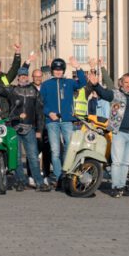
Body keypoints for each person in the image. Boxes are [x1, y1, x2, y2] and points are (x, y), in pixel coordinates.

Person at [86, 66, 129, 198]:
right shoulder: (116, 94)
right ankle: (115, 187)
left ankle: (121, 186)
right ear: (122, 83)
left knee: (126, 163)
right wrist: (95, 85)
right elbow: (104, 93)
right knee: (117, 161)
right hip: (119, 132)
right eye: (126, 82)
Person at [0, 65, 49, 191]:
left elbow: (39, 112)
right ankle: (20, 181)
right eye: (21, 76)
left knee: (33, 157)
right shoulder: (12, 90)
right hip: (14, 127)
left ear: (28, 77)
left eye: (25, 76)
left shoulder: (35, 92)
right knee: (15, 157)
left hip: (30, 128)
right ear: (18, 78)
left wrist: (39, 130)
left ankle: (39, 183)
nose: (23, 78)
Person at [39, 57, 87, 187]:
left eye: (60, 69)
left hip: (67, 120)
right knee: (55, 150)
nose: (58, 71)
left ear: (64, 70)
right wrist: (49, 113)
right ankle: (58, 176)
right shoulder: (46, 84)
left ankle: (66, 173)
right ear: (52, 70)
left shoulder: (69, 82)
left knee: (69, 148)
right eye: (56, 69)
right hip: (52, 121)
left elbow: (83, 82)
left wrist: (78, 67)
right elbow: (40, 103)